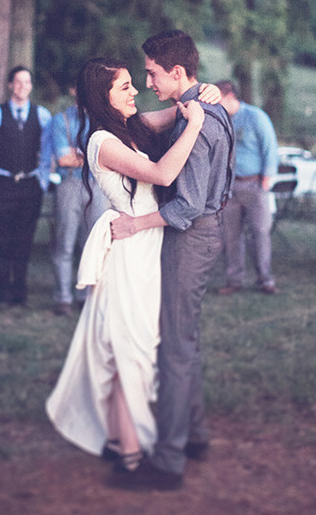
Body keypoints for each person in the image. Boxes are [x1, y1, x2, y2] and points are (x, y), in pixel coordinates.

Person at [46, 57, 210, 476]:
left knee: (136, 349)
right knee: (129, 352)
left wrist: (201, 96)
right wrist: (195, 124)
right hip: (128, 253)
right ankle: (132, 454)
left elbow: (175, 109)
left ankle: (122, 442)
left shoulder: (131, 127)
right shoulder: (102, 142)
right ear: (103, 98)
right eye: (125, 87)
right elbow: (161, 173)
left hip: (146, 247)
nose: (136, 91)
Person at [110, 30, 235, 491]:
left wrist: (135, 225)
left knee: (174, 348)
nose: (148, 82)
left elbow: (187, 205)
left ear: (177, 71)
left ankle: (167, 462)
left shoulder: (198, 123)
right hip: (202, 233)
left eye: (152, 73)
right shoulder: (200, 109)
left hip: (191, 237)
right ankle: (194, 435)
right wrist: (192, 99)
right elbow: (149, 123)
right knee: (184, 339)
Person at [0, 66, 52, 307]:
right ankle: (2, 293)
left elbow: (47, 152)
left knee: (25, 239)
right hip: (3, 184)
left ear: (31, 86)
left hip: (31, 184)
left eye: (27, 82)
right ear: (10, 85)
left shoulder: (42, 115)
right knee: (3, 239)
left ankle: (20, 292)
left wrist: (42, 181)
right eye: (18, 82)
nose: (22, 86)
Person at [216, 80, 279, 296]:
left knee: (260, 233)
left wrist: (266, 179)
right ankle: (234, 280)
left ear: (230, 96)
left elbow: (270, 147)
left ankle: (265, 279)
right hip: (229, 188)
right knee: (231, 236)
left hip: (254, 185)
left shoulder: (256, 116)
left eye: (218, 99)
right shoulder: (220, 120)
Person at [50, 91, 109, 317]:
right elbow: (63, 159)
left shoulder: (104, 119)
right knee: (64, 242)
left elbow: (110, 155)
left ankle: (87, 296)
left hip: (98, 185)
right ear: (74, 93)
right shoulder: (61, 120)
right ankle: (63, 298)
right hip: (70, 184)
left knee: (93, 243)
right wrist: (93, 156)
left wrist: (79, 154)